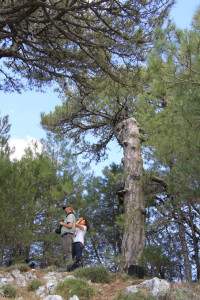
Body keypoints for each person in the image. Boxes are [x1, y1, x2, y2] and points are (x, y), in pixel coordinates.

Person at [59, 204, 75, 268]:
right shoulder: (68, 216)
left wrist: (62, 223)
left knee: (67, 253)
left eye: (65, 208)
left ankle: (69, 269)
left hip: (67, 236)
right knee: (66, 252)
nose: (64, 210)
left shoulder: (70, 215)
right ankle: (67, 268)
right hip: (66, 236)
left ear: (69, 208)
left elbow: (69, 226)